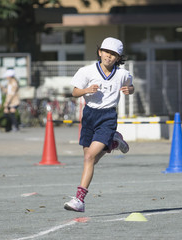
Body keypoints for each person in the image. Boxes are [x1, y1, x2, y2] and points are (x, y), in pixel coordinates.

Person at [64, 37, 135, 212]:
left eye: (113, 54)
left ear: (118, 58)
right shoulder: (86, 71)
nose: (109, 57)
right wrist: (86, 90)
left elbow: (130, 85)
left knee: (89, 158)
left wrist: (129, 90)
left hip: (107, 116)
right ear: (100, 52)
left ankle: (79, 200)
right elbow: (74, 92)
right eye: (106, 52)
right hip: (89, 116)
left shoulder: (122, 74)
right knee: (89, 158)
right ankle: (113, 142)